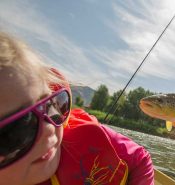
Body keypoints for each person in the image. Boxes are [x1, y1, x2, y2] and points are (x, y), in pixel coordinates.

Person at [0, 32, 154, 185]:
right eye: (16, 129)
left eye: (53, 106)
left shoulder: (87, 137)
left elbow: (139, 159)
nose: (48, 128)